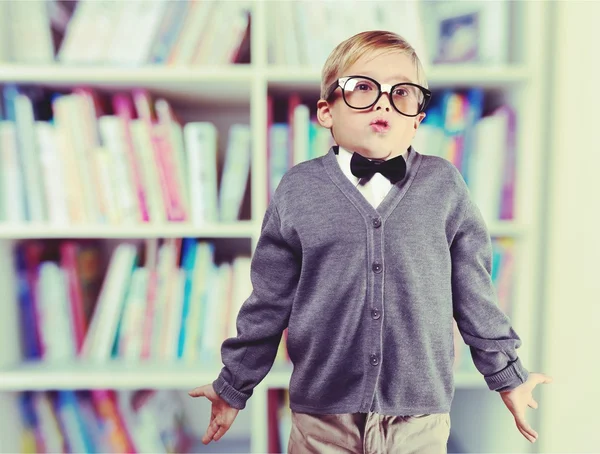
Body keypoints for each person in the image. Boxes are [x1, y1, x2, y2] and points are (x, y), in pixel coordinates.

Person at [189, 30, 552, 453]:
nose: (383, 102)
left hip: (419, 418)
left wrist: (508, 375)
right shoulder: (298, 188)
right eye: (363, 87)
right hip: (321, 417)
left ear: (418, 117)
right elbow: (269, 301)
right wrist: (234, 386)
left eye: (402, 93)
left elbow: (473, 293)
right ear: (326, 111)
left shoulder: (444, 186)